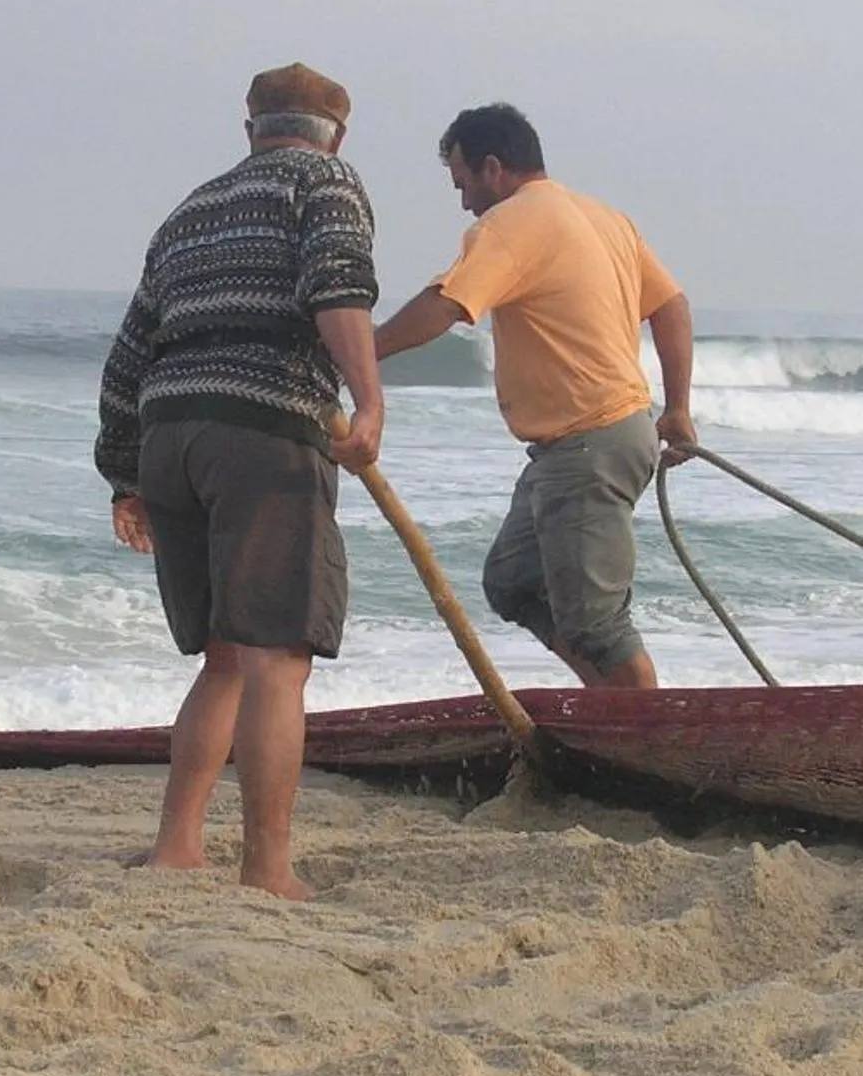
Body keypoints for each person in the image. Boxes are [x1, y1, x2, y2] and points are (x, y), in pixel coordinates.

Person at [97, 63, 385, 901]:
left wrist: (124, 475)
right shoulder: (325, 181)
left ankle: (177, 848)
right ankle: (267, 868)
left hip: (170, 435)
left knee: (224, 655)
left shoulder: (190, 211)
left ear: (249, 127)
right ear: (339, 133)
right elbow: (337, 285)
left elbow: (128, 354)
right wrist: (369, 401)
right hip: (261, 431)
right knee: (276, 661)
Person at [373, 102, 695, 689]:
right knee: (513, 581)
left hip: (589, 442)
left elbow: (446, 305)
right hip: (599, 438)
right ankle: (609, 702)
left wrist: (359, 352)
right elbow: (671, 305)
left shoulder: (513, 223)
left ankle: (647, 727)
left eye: (464, 183)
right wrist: (676, 407)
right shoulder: (604, 218)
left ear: (494, 168)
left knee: (599, 626)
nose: (464, 202)